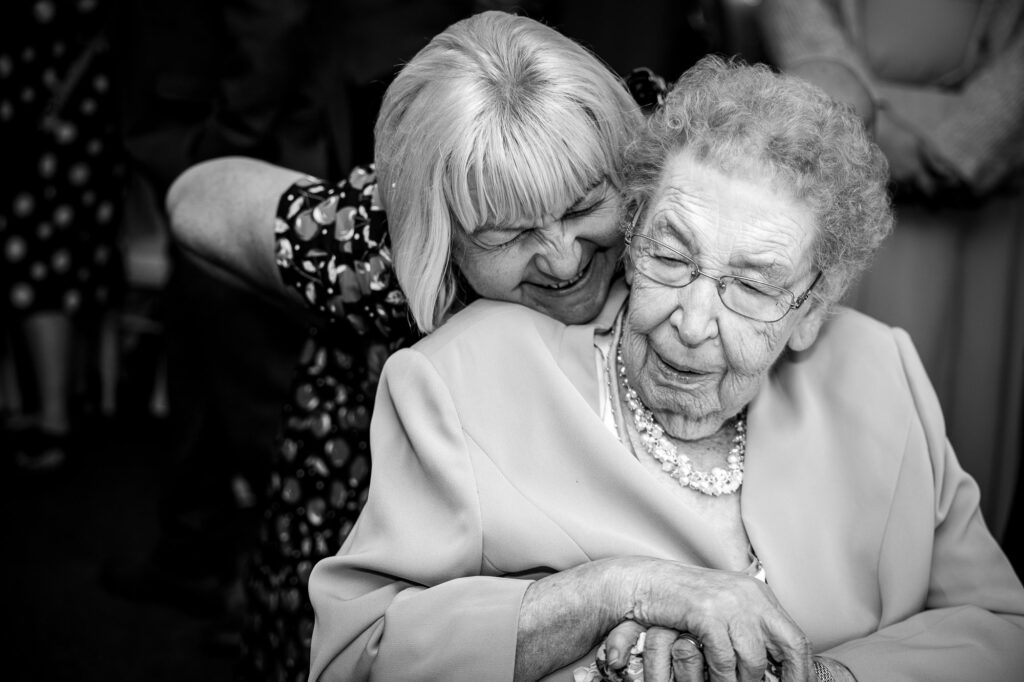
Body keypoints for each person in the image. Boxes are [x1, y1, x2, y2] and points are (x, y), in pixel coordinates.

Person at [306, 56, 1024, 682]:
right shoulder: (466, 378)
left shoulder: (877, 372)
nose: (691, 321)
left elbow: (1001, 629)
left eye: (752, 287)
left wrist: (832, 677)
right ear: (632, 229)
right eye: (672, 257)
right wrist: (609, 593)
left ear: (812, 306)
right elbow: (356, 659)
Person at [168, 10, 649, 679]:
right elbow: (192, 200)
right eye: (510, 236)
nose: (564, 259)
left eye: (580, 209)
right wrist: (384, 252)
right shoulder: (385, 248)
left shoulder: (668, 165)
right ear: (441, 237)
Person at [757, 0, 1024, 540]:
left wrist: (969, 138)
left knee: (965, 408)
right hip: (841, 159)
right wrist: (848, 120)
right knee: (825, 380)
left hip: (990, 198)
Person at [1, 0, 125, 470]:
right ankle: (67, 402)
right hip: (71, 121)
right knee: (65, 266)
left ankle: (55, 417)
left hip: (55, 127)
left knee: (42, 269)